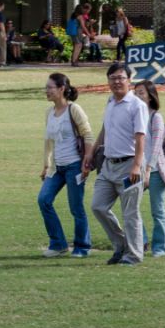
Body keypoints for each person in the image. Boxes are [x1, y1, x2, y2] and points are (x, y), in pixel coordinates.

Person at [88, 61, 149, 265]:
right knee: (98, 206)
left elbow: (141, 138)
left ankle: (134, 255)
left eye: (121, 78)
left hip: (129, 165)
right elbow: (105, 129)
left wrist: (136, 166)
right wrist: (92, 151)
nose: (117, 82)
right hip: (108, 164)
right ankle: (121, 244)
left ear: (129, 81)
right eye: (113, 78)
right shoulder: (110, 102)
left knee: (130, 213)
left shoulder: (137, 106)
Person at [38, 73, 95, 258]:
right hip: (57, 168)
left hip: (74, 166)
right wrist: (46, 165)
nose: (47, 91)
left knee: (76, 207)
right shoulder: (49, 112)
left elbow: (87, 135)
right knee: (44, 200)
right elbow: (48, 141)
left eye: (50, 87)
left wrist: (86, 161)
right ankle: (58, 244)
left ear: (61, 89)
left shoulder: (74, 109)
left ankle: (82, 246)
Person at [134, 80, 165, 257]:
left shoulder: (156, 117)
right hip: (135, 170)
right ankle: (140, 242)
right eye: (135, 93)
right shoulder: (134, 116)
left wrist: (148, 169)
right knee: (131, 208)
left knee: (157, 210)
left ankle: (160, 248)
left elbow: (157, 146)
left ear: (150, 96)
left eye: (141, 93)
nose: (138, 96)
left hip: (155, 171)